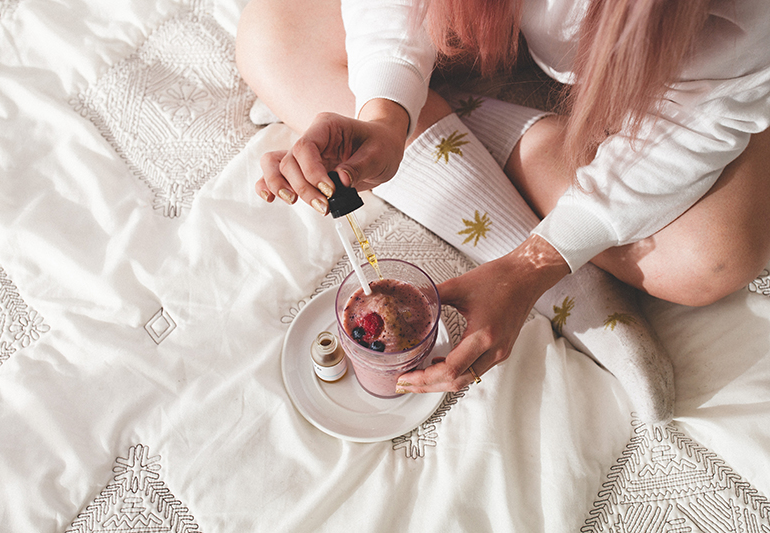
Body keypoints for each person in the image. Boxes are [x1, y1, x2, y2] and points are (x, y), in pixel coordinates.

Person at [234, 0, 770, 401]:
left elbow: (702, 116)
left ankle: (462, 121)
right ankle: (444, 128)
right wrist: (387, 114)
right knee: (269, 41)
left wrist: (535, 266)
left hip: (684, 79)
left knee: (712, 254)